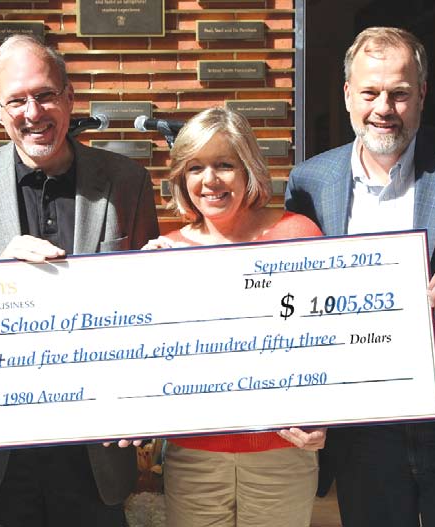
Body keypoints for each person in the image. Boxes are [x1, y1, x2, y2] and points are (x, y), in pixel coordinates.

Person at [0, 34, 159, 526]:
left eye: (45, 94)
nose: (33, 112)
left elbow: (150, 307)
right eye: (17, 100)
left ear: (70, 97)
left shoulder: (127, 182)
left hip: (92, 448)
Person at [285, 26, 435, 527]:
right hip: (363, 430)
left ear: (422, 94)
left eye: (399, 93)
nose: (383, 106)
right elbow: (296, 297)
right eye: (370, 92)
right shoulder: (311, 182)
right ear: (347, 95)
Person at [143, 107, 326, 527]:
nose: (209, 180)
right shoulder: (166, 251)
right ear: (181, 178)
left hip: (281, 452)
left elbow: (328, 340)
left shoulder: (297, 234)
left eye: (224, 164)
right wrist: (140, 287)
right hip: (195, 456)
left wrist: (327, 414)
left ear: (249, 170)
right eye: (195, 167)